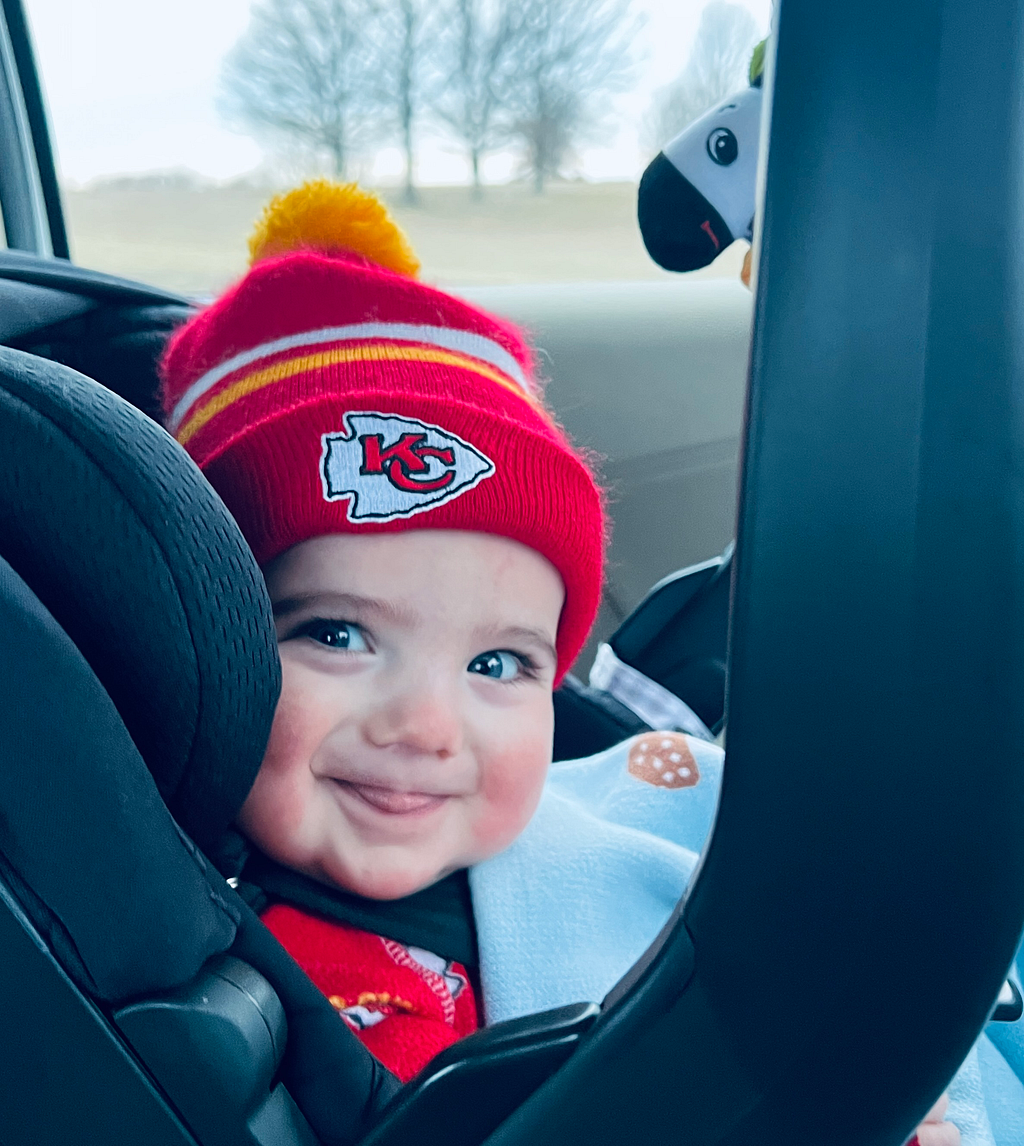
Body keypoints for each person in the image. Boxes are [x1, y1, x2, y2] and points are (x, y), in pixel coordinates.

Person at [159, 179, 959, 1144]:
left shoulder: (578, 814)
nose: (427, 724)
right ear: (212, 650)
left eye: (498, 664)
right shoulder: (294, 995)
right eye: (338, 634)